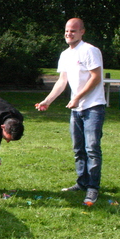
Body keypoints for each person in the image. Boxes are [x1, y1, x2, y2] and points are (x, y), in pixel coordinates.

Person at [35, 18, 106, 205]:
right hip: (76, 108)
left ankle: (92, 188)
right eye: (67, 31)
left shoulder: (89, 50)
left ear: (82, 32)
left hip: (93, 107)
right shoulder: (65, 54)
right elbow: (62, 81)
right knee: (78, 149)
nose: (69, 34)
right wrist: (47, 100)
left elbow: (96, 78)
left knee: (92, 149)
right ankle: (82, 182)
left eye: (73, 31)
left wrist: (77, 98)